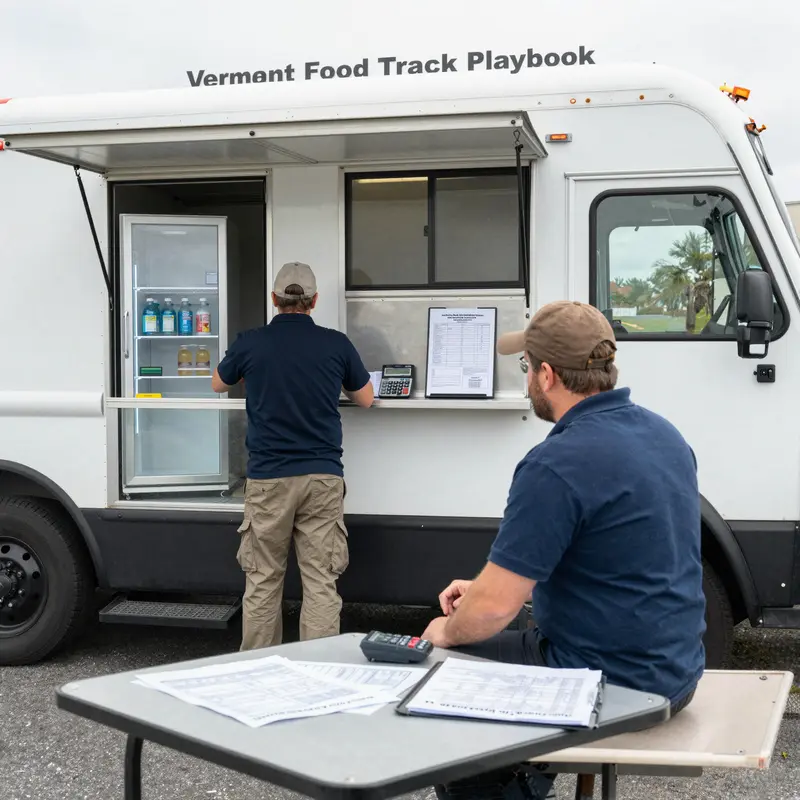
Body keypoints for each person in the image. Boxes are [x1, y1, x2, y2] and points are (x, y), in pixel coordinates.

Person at [421, 300, 706, 800]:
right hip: (677, 672)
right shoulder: (665, 435)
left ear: (547, 375)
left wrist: (447, 628)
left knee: (440, 668)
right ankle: (532, 768)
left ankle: (513, 778)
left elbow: (490, 612)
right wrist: (487, 589)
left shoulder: (554, 464)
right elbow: (617, 559)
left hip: (607, 682)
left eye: (526, 366)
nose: (527, 376)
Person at [212, 261, 374, 650]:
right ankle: (317, 671)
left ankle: (259, 670)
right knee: (320, 580)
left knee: (264, 579)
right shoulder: (336, 343)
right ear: (314, 301)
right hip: (321, 477)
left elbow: (219, 382)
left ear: (274, 299)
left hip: (268, 478)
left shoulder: (250, 342)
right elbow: (366, 398)